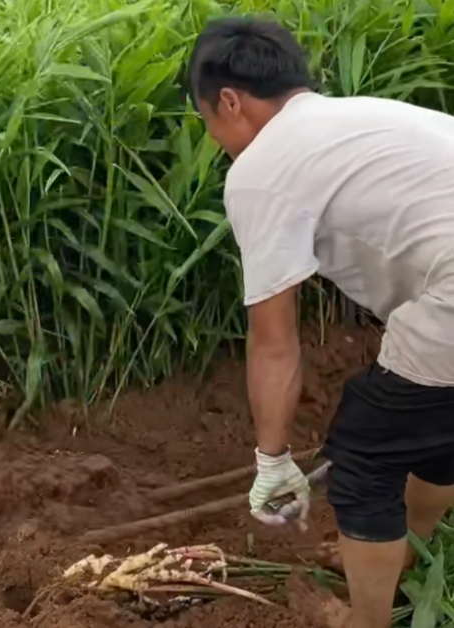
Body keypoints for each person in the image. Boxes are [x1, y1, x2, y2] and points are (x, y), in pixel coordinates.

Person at [187, 17, 454, 628]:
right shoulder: (362, 117)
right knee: (430, 429)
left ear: (229, 101)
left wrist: (274, 462)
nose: (216, 138)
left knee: (365, 456)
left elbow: (274, 344)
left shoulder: (261, 170)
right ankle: (401, 558)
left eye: (208, 121)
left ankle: (364, 618)